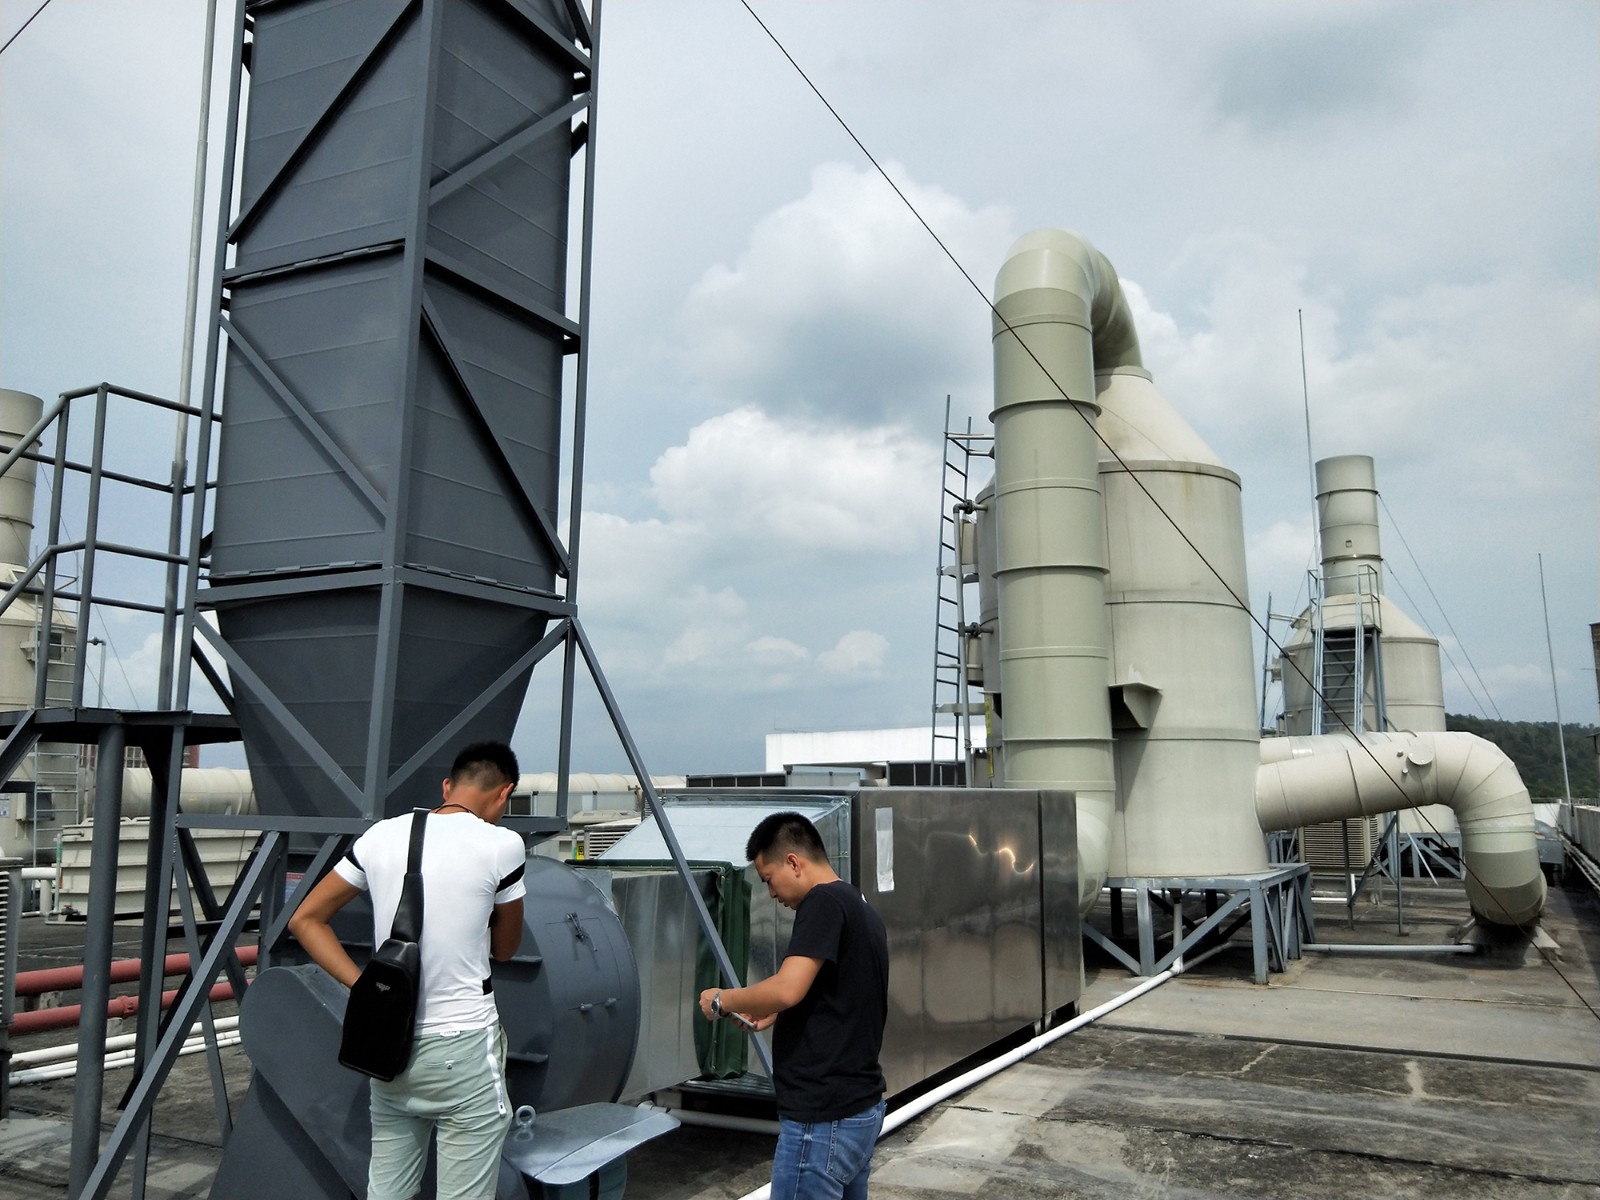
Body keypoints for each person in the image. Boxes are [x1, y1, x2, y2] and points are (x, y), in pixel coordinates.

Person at [289, 741, 527, 1200]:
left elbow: (306, 920)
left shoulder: (379, 836)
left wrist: (366, 987)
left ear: (447, 787)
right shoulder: (503, 844)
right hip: (462, 1046)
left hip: (388, 1046)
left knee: (388, 1191)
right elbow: (505, 949)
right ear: (504, 793)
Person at [698, 811, 889, 1200]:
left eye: (769, 879)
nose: (771, 893)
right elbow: (840, 994)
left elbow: (788, 988)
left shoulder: (822, 901)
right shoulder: (857, 903)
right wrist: (778, 1010)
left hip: (822, 1121)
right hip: (858, 1109)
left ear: (793, 862)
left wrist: (722, 1000)